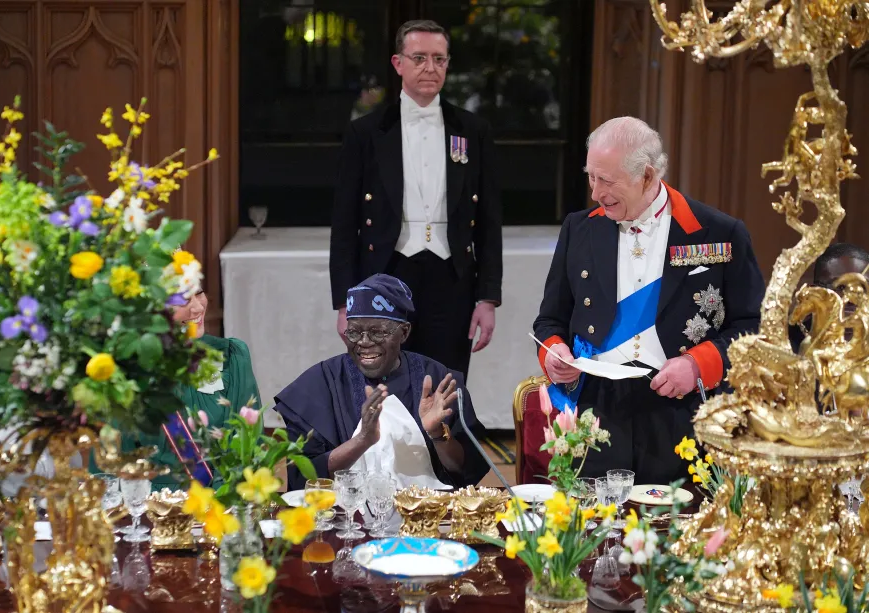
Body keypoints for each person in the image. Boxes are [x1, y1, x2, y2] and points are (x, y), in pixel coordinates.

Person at [533, 116, 765, 484]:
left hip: (685, 416)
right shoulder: (580, 229)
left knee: (677, 533)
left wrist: (698, 364)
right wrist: (555, 352)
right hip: (597, 416)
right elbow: (549, 320)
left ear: (647, 174)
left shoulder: (719, 232)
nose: (595, 192)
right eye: (591, 177)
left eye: (606, 180)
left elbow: (754, 327)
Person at [329, 19, 503, 380]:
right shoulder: (366, 133)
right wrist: (346, 302)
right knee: (384, 385)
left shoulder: (473, 131)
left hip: (452, 278)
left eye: (439, 59)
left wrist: (487, 298)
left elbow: (489, 220)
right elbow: (344, 225)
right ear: (398, 63)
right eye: (420, 57)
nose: (430, 68)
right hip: (386, 273)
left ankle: (440, 440)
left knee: (445, 386)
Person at [275, 273, 489, 491]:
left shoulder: (436, 379)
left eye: (377, 333)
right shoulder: (320, 383)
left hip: (428, 512)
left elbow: (465, 472)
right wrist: (362, 440)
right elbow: (304, 478)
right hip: (344, 513)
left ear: (404, 332)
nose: (364, 343)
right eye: (354, 332)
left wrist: (438, 435)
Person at [90, 289, 261, 490]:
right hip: (151, 509)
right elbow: (112, 470)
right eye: (183, 300)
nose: (198, 307)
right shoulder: (125, 373)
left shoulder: (232, 357)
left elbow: (248, 448)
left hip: (221, 508)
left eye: (199, 293)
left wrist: (217, 502)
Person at [790, 243, 869, 353]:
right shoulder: (788, 342)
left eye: (862, 288)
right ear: (816, 291)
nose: (852, 300)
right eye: (841, 287)